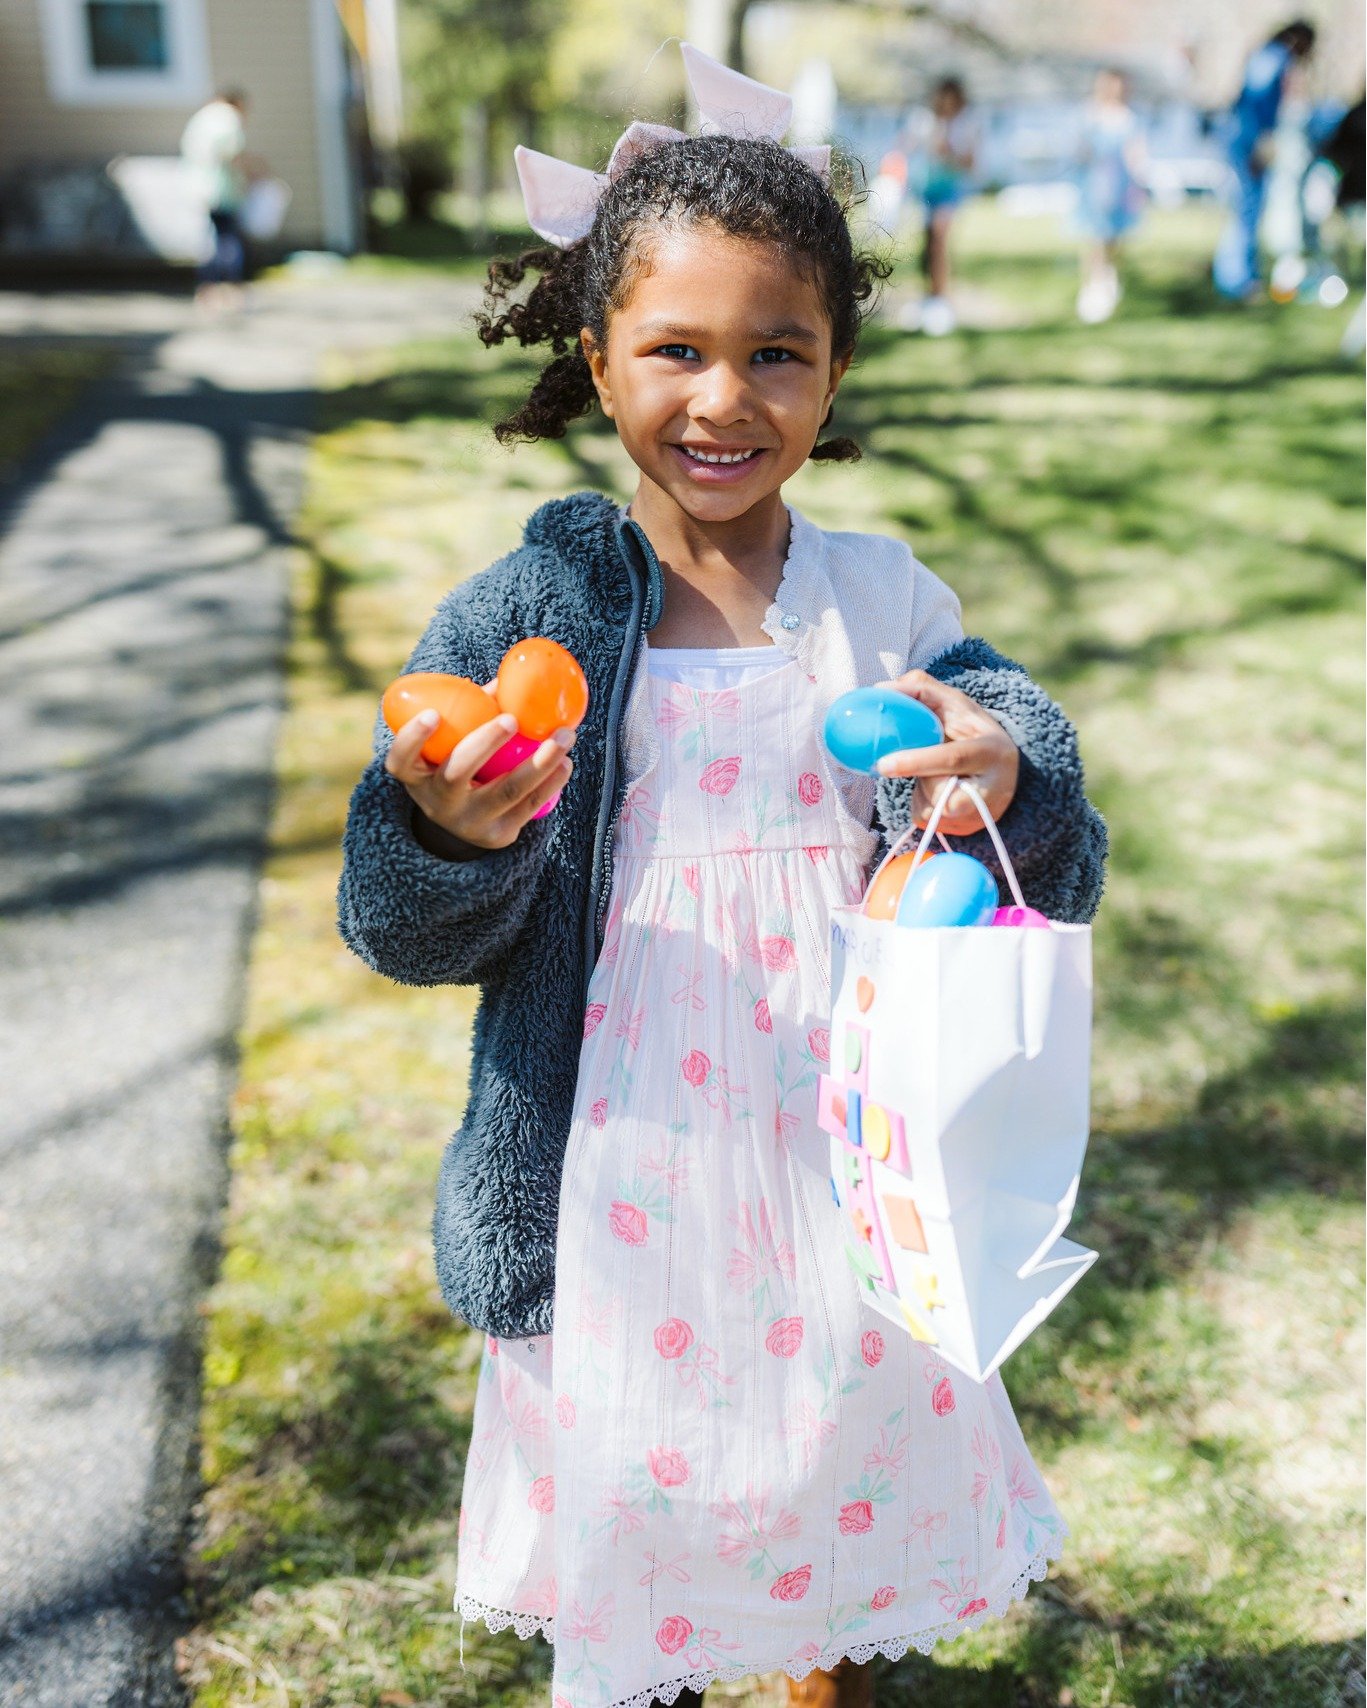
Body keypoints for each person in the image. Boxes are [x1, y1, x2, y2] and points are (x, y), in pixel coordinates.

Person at [337, 45, 1106, 1708]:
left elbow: (1027, 784)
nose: (724, 400)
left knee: (829, 1442)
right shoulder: (524, 618)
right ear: (592, 351)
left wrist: (1004, 765)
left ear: (833, 373)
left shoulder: (877, 594)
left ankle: (818, 1660)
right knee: (645, 1482)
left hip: (837, 1147)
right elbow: (392, 917)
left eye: (779, 352)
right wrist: (442, 836)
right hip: (623, 1160)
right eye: (675, 348)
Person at [1213, 19, 1317, 301]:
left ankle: (1241, 276)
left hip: (1244, 138)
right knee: (1247, 208)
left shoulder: (1267, 55)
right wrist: (1259, 144)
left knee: (1247, 208)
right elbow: (1254, 103)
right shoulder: (1274, 56)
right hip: (1248, 142)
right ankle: (1238, 281)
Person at [906, 76, 980, 335]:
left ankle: (941, 298)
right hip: (927, 188)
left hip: (950, 189)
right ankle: (931, 293)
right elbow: (907, 145)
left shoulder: (967, 124)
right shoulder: (924, 120)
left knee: (940, 237)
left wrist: (950, 153)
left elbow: (971, 163)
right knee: (928, 244)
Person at [1074, 69, 1147, 324]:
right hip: (1095, 184)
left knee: (1114, 236)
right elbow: (1081, 149)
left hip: (1120, 185)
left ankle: (1108, 278)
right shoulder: (1091, 115)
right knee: (1094, 236)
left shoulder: (1128, 118)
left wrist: (1140, 178)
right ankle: (1094, 284)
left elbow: (1135, 151)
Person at [179, 87, 255, 309]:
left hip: (197, 187)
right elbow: (233, 154)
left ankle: (207, 290)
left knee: (209, 240)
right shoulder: (226, 118)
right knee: (228, 239)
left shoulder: (201, 117)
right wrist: (249, 176)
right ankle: (230, 288)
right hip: (221, 189)